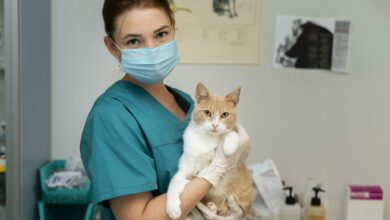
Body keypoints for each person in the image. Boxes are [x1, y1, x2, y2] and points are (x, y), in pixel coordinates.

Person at [80, 0, 251, 219]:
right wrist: (217, 170)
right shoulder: (112, 116)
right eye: (134, 41)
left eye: (160, 34)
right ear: (113, 47)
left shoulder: (187, 103)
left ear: (173, 28)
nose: (152, 49)